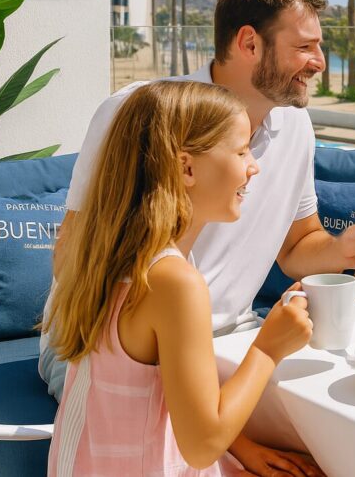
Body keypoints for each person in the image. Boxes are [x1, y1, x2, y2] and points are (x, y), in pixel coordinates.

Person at [42, 0, 355, 473]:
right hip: (115, 350)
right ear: (248, 43)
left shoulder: (296, 125)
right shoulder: (140, 114)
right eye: (305, 46)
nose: (320, 62)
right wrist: (238, 442)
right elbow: (76, 262)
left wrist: (348, 250)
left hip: (225, 343)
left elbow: (298, 245)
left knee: (341, 433)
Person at [45, 81, 315, 475]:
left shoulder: (109, 257)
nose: (253, 166)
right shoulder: (175, 283)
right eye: (242, 151)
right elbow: (202, 446)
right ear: (187, 167)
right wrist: (269, 347)